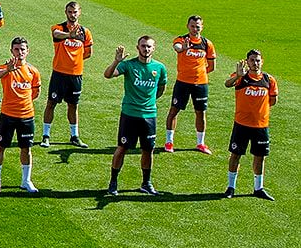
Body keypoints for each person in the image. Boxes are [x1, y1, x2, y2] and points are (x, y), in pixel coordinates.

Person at [105, 36, 170, 196]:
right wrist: (116, 61)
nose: (146, 49)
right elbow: (108, 75)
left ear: (153, 48)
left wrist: (150, 102)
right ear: (137, 47)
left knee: (148, 149)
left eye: (148, 46)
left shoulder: (159, 68)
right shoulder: (128, 65)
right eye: (143, 46)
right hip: (130, 115)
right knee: (122, 148)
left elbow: (161, 88)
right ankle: (113, 182)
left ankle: (146, 183)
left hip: (149, 116)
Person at [0, 37, 41, 193]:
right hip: (7, 115)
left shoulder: (33, 71)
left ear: (27, 51)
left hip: (26, 116)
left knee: (26, 149)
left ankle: (26, 181)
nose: (20, 52)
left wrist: (23, 103)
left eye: (23, 49)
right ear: (11, 51)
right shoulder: (5, 67)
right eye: (17, 49)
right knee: (0, 147)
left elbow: (35, 92)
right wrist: (8, 70)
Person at [225, 50, 278, 200]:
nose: (255, 63)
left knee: (260, 157)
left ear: (262, 62)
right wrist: (238, 75)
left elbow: (273, 100)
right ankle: (230, 187)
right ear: (247, 62)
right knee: (235, 155)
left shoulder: (269, 80)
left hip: (261, 126)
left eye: (258, 60)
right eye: (252, 60)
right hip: (241, 124)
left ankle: (258, 188)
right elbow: (227, 84)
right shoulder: (242, 78)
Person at [42, 1, 92, 148]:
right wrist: (70, 35)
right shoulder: (59, 28)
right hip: (59, 74)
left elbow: (88, 53)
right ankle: (46, 136)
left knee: (73, 105)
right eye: (70, 12)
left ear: (79, 12)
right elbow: (56, 34)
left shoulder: (85, 32)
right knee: (51, 103)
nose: (72, 15)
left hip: (76, 75)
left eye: (75, 12)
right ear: (66, 12)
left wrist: (74, 61)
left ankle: (74, 136)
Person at [166, 15, 217, 154]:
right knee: (174, 110)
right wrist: (182, 48)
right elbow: (176, 47)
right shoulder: (182, 40)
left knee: (200, 113)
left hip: (201, 84)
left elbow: (211, 66)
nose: (195, 29)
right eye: (193, 26)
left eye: (198, 26)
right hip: (182, 82)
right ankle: (169, 142)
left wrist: (199, 73)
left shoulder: (207, 44)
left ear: (202, 27)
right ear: (188, 26)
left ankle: (200, 143)